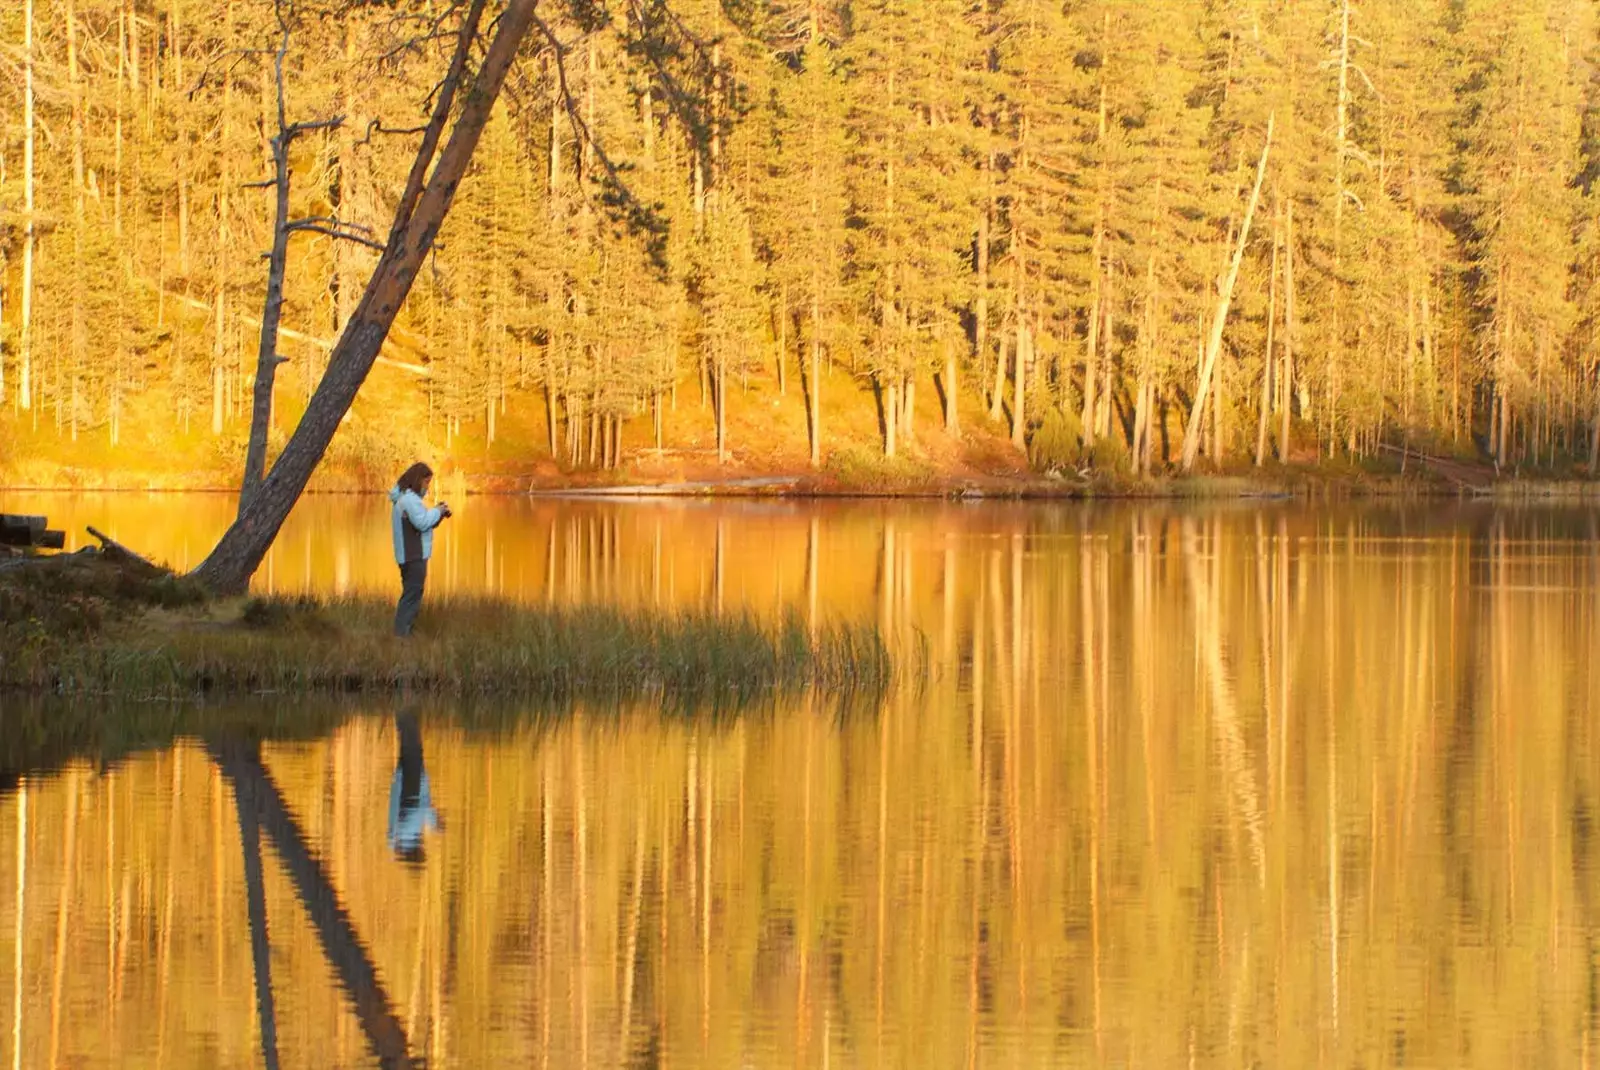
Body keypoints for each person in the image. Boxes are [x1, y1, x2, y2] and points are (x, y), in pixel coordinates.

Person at [389, 462, 451, 638]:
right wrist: (438, 511)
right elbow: (422, 522)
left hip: (409, 555)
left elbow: (422, 524)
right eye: (426, 482)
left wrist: (439, 516)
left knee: (411, 594)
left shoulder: (405, 499)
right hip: (413, 556)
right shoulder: (409, 500)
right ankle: (401, 636)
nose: (427, 487)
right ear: (418, 480)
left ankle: (403, 633)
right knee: (411, 596)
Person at [388, 709, 440, 866]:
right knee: (408, 742)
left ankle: (404, 707)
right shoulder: (400, 835)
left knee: (411, 742)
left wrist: (434, 821)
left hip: (411, 779)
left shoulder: (407, 832)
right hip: (406, 778)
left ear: (417, 851)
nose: (423, 845)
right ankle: (403, 710)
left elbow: (420, 809)